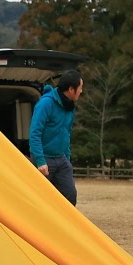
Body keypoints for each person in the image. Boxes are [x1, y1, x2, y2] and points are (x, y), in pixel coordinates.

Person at [28, 69, 83, 205]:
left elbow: (66, 133)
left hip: (61, 159)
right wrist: (40, 161)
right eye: (80, 87)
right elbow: (35, 133)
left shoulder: (70, 107)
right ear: (71, 89)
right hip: (44, 159)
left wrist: (67, 159)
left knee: (70, 196)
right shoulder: (46, 104)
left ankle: (65, 226)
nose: (81, 91)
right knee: (41, 200)